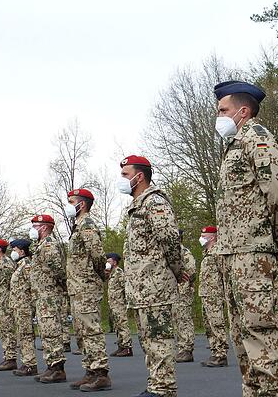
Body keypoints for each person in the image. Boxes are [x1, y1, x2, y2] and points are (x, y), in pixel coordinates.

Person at [214, 80, 278, 396]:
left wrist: (277, 239)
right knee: (243, 334)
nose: (218, 116)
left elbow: (277, 193)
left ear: (243, 111)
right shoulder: (234, 145)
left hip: (254, 253)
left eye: (223, 110)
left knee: (261, 333)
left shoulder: (257, 140)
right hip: (234, 253)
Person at [119, 154, 187, 397]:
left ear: (140, 176)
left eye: (125, 175)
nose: (122, 179)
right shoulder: (138, 205)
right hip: (142, 289)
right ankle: (156, 385)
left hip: (156, 286)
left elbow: (169, 240)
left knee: (159, 341)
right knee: (149, 342)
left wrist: (179, 271)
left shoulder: (154, 202)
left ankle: (164, 390)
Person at [65, 188, 112, 392]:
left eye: (71, 201)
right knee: (82, 331)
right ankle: (90, 370)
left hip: (86, 287)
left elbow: (97, 255)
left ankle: (101, 373)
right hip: (77, 288)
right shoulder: (78, 226)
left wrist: (101, 275)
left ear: (81, 204)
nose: (69, 205)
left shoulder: (87, 224)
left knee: (91, 330)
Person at [29, 214, 68, 384]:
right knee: (46, 333)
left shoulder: (49, 245)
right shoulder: (41, 246)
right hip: (43, 297)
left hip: (50, 297)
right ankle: (51, 366)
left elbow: (59, 271)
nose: (33, 230)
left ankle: (58, 369)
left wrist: (58, 289)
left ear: (44, 227)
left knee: (52, 333)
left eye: (35, 226)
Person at [198, 226, 229, 367]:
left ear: (212, 237)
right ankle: (214, 351)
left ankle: (221, 354)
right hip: (205, 294)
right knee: (209, 325)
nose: (201, 237)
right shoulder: (206, 253)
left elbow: (225, 273)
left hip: (215, 294)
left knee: (217, 324)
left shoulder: (217, 252)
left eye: (204, 235)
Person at [9, 238, 39, 377]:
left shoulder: (27, 265)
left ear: (21, 251)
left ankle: (30, 364)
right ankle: (26, 362)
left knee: (26, 335)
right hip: (18, 306)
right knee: (22, 335)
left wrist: (32, 305)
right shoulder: (19, 265)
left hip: (25, 306)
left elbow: (32, 284)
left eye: (14, 250)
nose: (12, 252)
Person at [0, 239, 18, 371]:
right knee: (4, 331)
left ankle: (11, 358)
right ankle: (8, 357)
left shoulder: (6, 263)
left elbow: (11, 284)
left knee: (8, 330)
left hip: (5, 303)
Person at [174, 230, 197, 363]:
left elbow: (192, 271)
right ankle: (182, 348)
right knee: (178, 321)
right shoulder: (175, 253)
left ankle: (187, 349)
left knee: (184, 320)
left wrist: (185, 284)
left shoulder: (184, 252)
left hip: (184, 291)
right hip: (176, 292)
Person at [105, 253, 133, 357]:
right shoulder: (111, 273)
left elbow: (125, 287)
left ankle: (127, 348)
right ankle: (121, 346)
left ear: (115, 262)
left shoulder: (119, 272)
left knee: (122, 324)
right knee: (117, 326)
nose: (107, 263)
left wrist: (126, 302)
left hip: (119, 303)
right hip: (113, 304)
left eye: (109, 261)